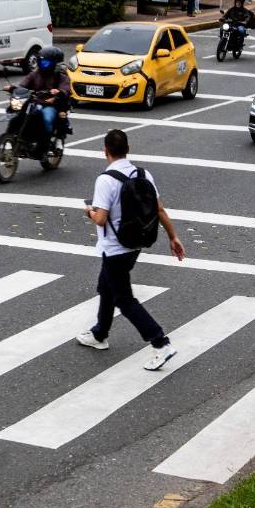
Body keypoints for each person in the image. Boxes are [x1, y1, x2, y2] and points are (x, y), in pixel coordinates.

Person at [77, 130, 185, 371]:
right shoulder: (144, 174)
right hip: (135, 244)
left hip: (114, 248)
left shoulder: (105, 180)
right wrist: (173, 237)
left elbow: (101, 219)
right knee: (107, 287)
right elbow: (159, 210)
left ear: (105, 151)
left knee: (124, 299)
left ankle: (160, 342)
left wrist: (88, 211)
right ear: (128, 148)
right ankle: (99, 334)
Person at [8, 46, 71, 141]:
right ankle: (10, 141)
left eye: (46, 62)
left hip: (51, 104)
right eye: (41, 61)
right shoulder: (35, 74)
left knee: (46, 119)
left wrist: (59, 92)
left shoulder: (61, 76)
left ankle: (43, 146)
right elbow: (23, 83)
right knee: (16, 117)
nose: (43, 64)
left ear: (54, 62)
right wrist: (14, 88)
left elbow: (65, 89)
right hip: (34, 102)